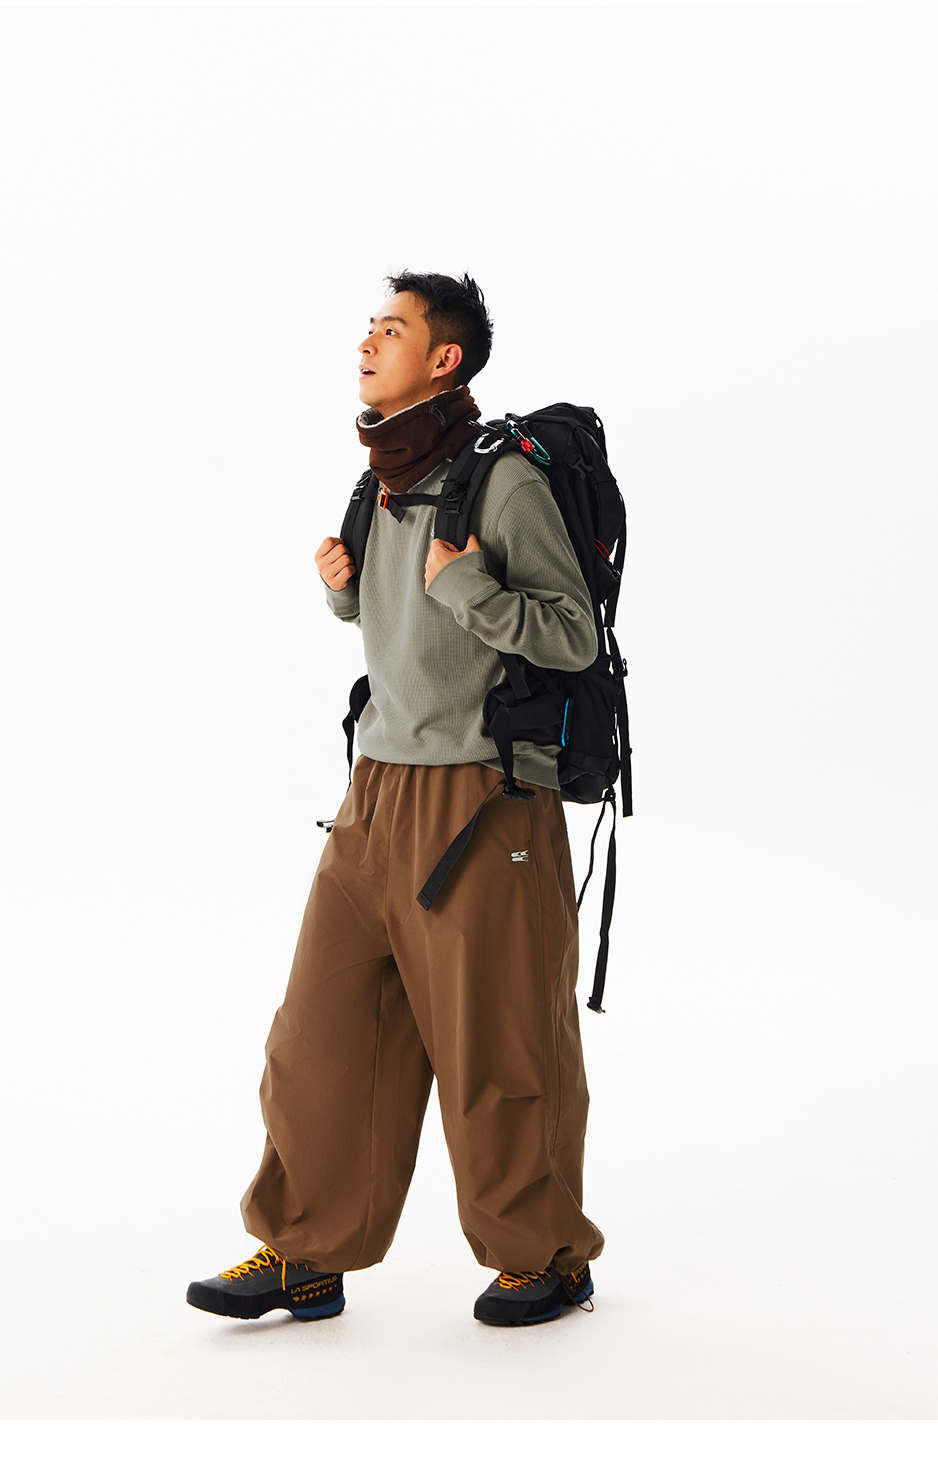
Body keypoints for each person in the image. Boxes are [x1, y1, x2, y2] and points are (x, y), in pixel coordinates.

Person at [187, 271, 603, 1328]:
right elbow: (396, 624)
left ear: (444, 358)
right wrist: (344, 587)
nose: (367, 342)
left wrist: (465, 585)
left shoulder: (504, 481)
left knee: (499, 1045)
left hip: (484, 798)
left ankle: (546, 1256)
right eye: (368, 326)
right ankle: (305, 1251)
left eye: (391, 328)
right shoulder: (380, 477)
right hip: (372, 792)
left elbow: (571, 635)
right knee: (320, 1037)